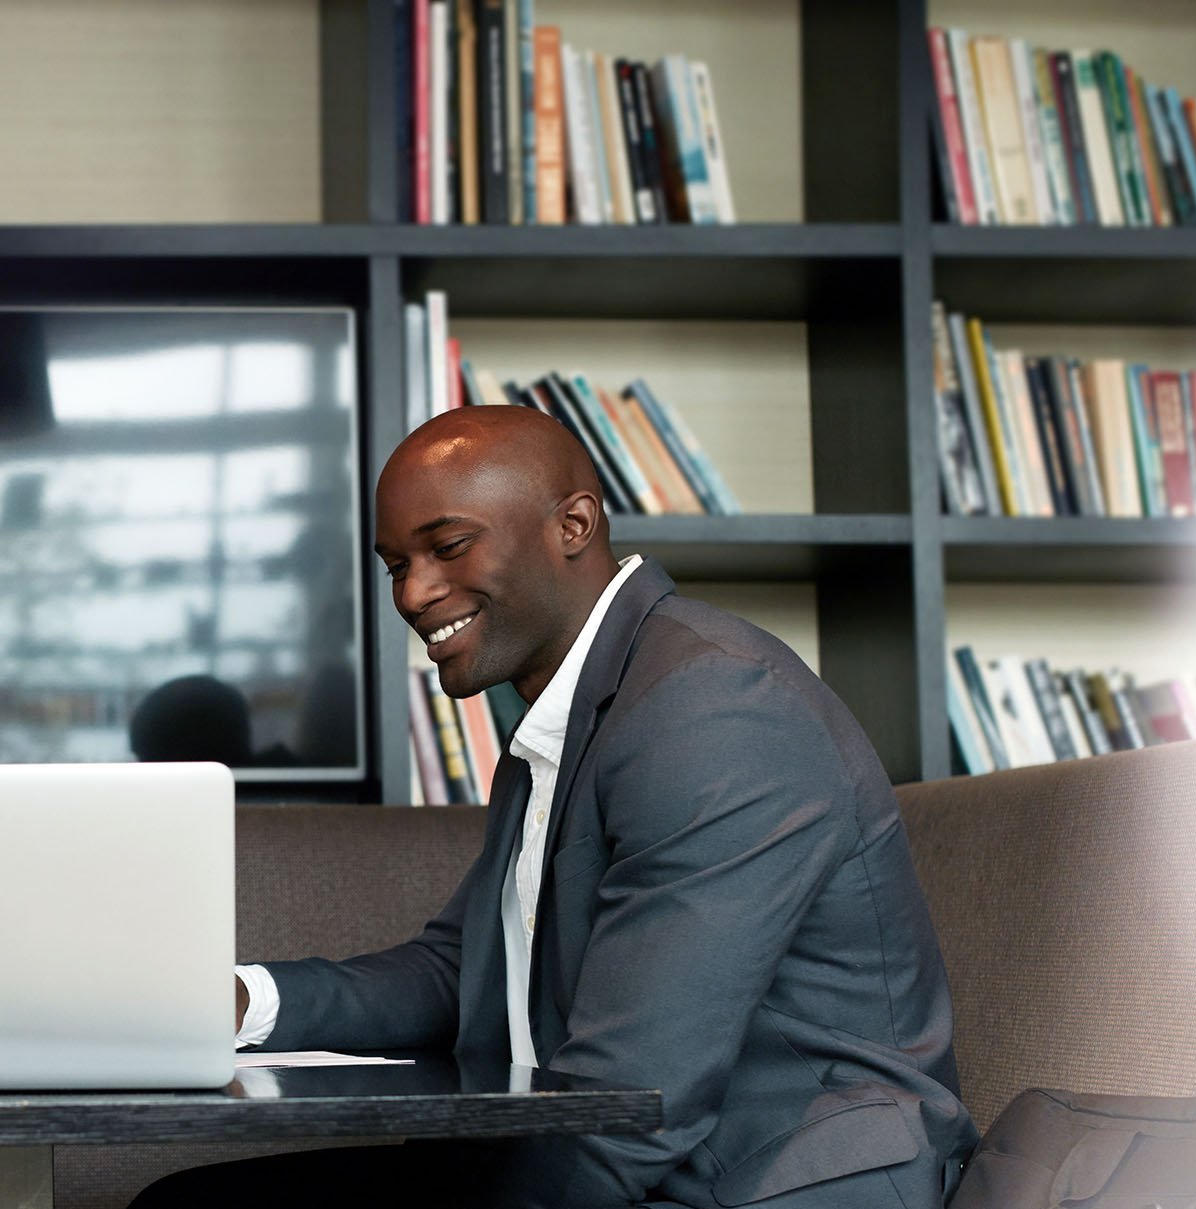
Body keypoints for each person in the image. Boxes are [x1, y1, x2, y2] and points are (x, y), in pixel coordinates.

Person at [135, 405, 978, 1209]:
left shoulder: (713, 707)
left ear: (573, 526)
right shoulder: (574, 713)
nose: (414, 593)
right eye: (397, 564)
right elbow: (456, 970)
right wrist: (239, 999)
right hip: (641, 1156)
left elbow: (633, 1103)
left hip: (766, 1179)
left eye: (448, 547)